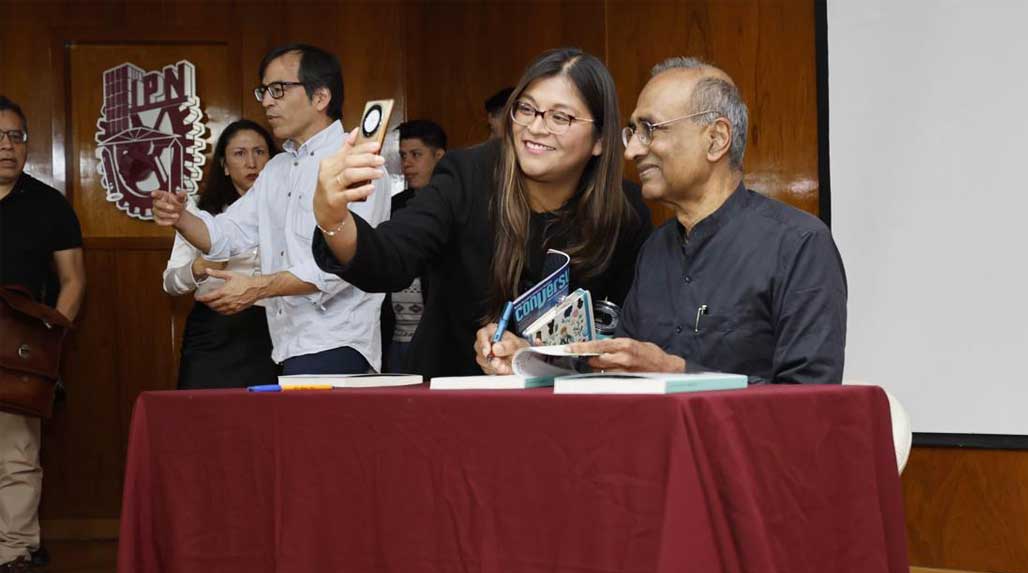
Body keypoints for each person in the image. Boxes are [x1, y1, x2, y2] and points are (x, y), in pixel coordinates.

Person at [489, 58, 848, 384]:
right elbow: (618, 374)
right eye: (632, 132)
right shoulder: (655, 250)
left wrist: (679, 373)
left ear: (716, 139)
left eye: (650, 129)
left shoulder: (798, 245)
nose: (632, 151)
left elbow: (808, 404)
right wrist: (530, 356)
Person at [312, 48, 652, 377]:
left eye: (560, 117)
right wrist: (333, 217)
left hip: (567, 409)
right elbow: (392, 256)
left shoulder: (625, 211)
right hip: (452, 394)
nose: (536, 127)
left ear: (600, 140)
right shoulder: (467, 175)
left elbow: (622, 333)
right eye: (527, 109)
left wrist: (535, 356)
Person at [151, 44, 390, 375]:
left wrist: (259, 287)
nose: (266, 101)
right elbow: (227, 234)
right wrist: (180, 217)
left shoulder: (355, 160)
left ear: (320, 98)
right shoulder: (277, 168)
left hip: (337, 344)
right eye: (263, 90)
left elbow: (343, 267)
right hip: (285, 346)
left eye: (278, 89)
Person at [0, 95, 85, 573]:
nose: (6, 147)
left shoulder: (48, 204)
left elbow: (73, 281)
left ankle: (12, 558)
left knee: (17, 458)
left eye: (15, 136)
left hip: (19, 356)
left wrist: (49, 341)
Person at [162, 120, 279, 388]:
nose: (252, 163)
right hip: (213, 332)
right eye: (240, 153)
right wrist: (198, 268)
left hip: (271, 329)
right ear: (224, 166)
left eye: (260, 152)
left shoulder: (288, 209)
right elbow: (170, 283)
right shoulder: (199, 214)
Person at [382, 120, 446, 372]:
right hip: (394, 334)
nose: (407, 163)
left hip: (435, 337)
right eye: (403, 155)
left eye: (416, 155)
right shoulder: (394, 206)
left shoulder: (456, 204)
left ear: (438, 156)